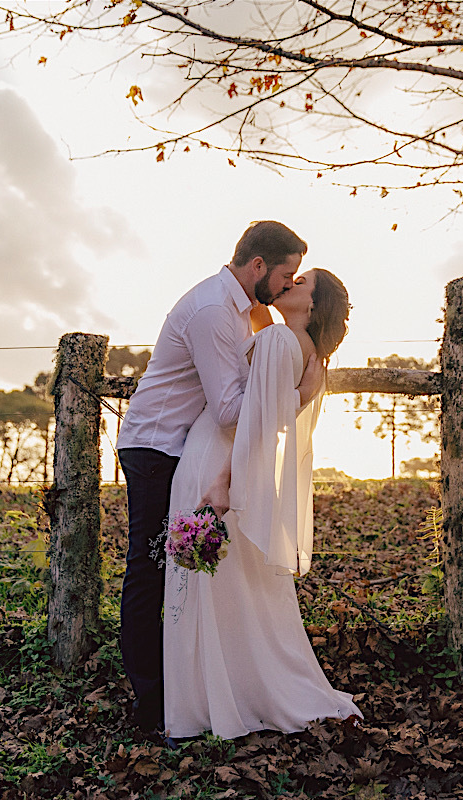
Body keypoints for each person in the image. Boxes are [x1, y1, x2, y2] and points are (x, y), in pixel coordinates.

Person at [116, 221, 324, 734]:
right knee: (149, 568)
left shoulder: (240, 312)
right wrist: (293, 397)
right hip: (156, 447)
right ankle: (150, 702)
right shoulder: (213, 310)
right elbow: (230, 410)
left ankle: (185, 689)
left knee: (176, 567)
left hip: (182, 446)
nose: (287, 284)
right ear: (258, 265)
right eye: (286, 274)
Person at [163, 268, 361, 740]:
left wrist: (221, 483)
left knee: (214, 588)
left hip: (217, 460)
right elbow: (271, 413)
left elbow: (253, 419)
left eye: (302, 281)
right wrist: (298, 397)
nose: (290, 283)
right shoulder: (302, 349)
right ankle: (235, 693)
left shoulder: (277, 340)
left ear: (312, 305)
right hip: (242, 466)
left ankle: (206, 706)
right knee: (239, 589)